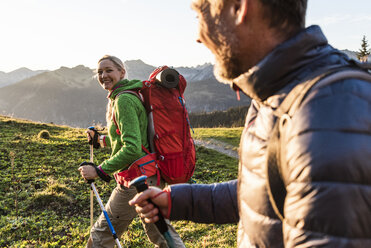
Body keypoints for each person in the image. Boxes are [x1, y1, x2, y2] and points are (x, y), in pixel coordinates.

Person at [129, 0, 371, 247]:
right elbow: (268, 190)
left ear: (239, 7)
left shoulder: (325, 110)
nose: (199, 37)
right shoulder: (279, 93)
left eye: (201, 17)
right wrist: (177, 200)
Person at [78, 55, 185, 248]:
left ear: (122, 71)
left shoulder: (123, 100)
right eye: (100, 72)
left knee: (101, 235)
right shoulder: (131, 94)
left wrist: (100, 170)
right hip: (151, 175)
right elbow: (131, 137)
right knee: (161, 233)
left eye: (109, 70)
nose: (103, 75)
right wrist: (101, 141)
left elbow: (132, 148)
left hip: (136, 178)